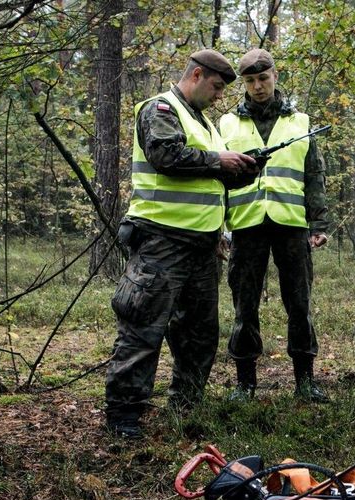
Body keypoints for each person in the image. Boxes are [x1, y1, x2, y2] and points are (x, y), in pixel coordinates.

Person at [104, 49, 260, 439]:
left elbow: (208, 175)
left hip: (203, 247)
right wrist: (218, 161)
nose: (220, 96)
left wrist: (241, 169)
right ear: (196, 75)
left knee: (199, 333)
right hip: (161, 242)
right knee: (143, 327)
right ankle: (125, 415)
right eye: (217, 86)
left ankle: (186, 406)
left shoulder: (204, 123)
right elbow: (165, 155)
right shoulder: (160, 108)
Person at [218, 48, 331, 403]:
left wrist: (319, 222)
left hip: (291, 224)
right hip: (245, 225)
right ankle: (245, 383)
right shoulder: (226, 124)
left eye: (263, 79)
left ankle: (305, 380)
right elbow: (217, 179)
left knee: (300, 303)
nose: (257, 87)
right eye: (250, 81)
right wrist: (220, 227)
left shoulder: (300, 121)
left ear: (275, 76)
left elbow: (314, 174)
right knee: (244, 305)